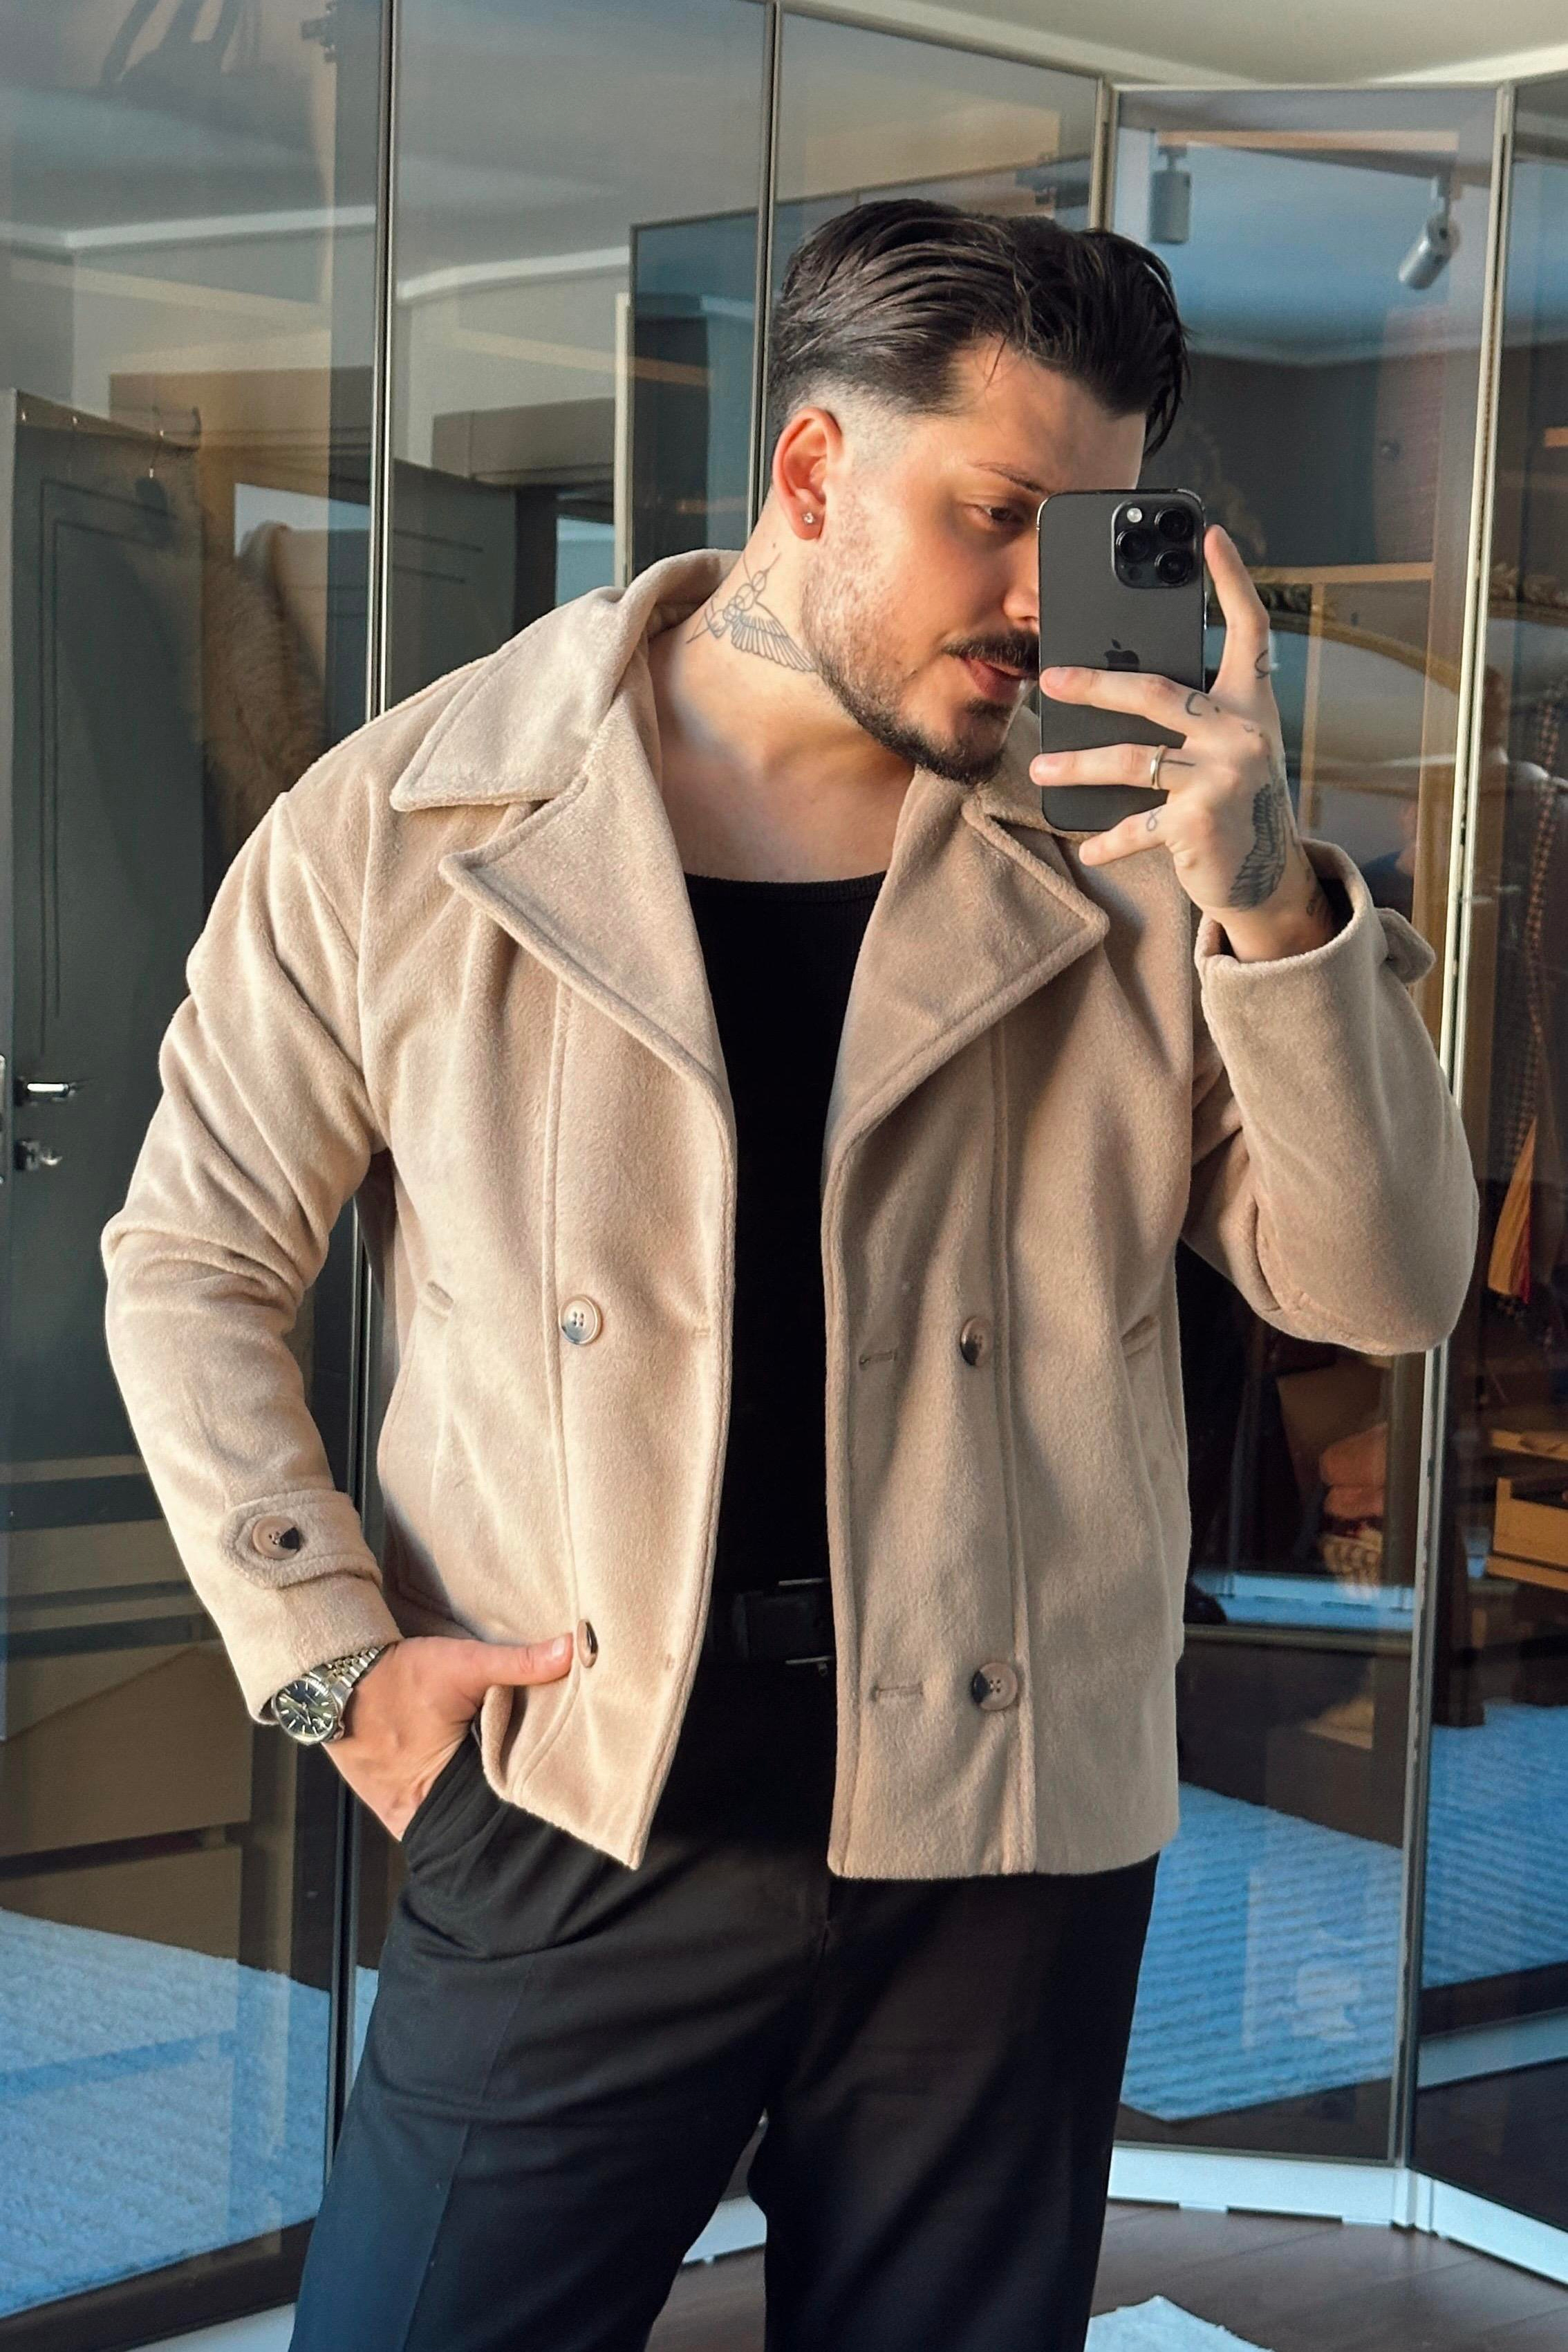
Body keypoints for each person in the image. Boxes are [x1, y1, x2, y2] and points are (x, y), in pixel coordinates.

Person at [100, 200, 1478, 2351]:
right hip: (568, 1788)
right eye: (991, 514)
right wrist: (327, 1656)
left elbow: (1382, 1289)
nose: (1037, 599)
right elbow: (190, 1259)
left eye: (1085, 528)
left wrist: (1274, 913)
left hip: (1007, 1826)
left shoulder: (1138, 861)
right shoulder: (408, 823)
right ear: (813, 469)